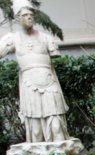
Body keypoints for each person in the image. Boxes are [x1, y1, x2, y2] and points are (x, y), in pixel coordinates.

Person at [0, 3, 70, 143]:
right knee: (36, 130)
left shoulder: (46, 37)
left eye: (31, 15)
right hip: (29, 83)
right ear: (18, 18)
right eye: (25, 15)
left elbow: (54, 53)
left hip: (49, 82)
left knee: (56, 127)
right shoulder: (13, 38)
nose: (29, 18)